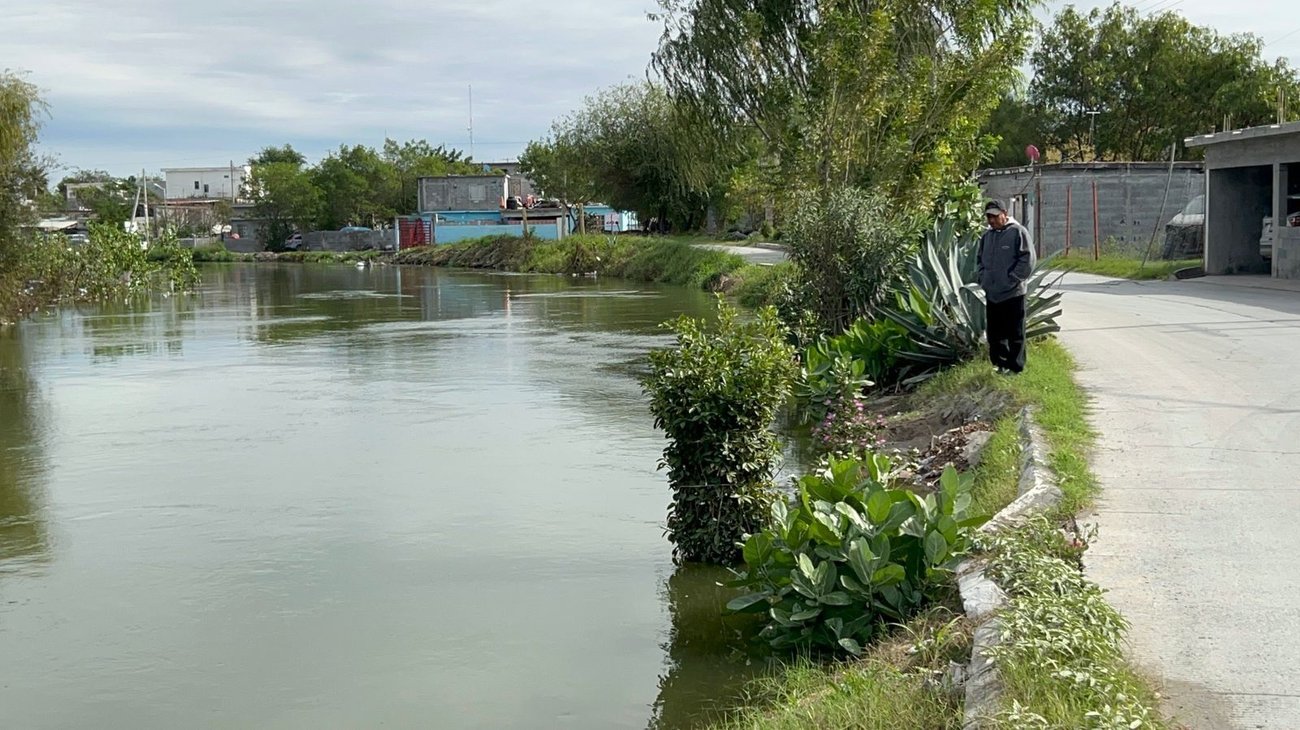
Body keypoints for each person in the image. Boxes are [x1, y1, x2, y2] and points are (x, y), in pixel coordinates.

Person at [977, 199, 1036, 374]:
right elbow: (979, 260)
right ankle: (1000, 364)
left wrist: (1012, 279)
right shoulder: (987, 236)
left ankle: (1015, 367)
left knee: (1015, 333)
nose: (991, 220)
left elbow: (1028, 259)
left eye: (995, 216)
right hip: (993, 293)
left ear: (1004, 213)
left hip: (1013, 293)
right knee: (995, 334)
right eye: (988, 216)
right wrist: (983, 278)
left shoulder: (1018, 232)